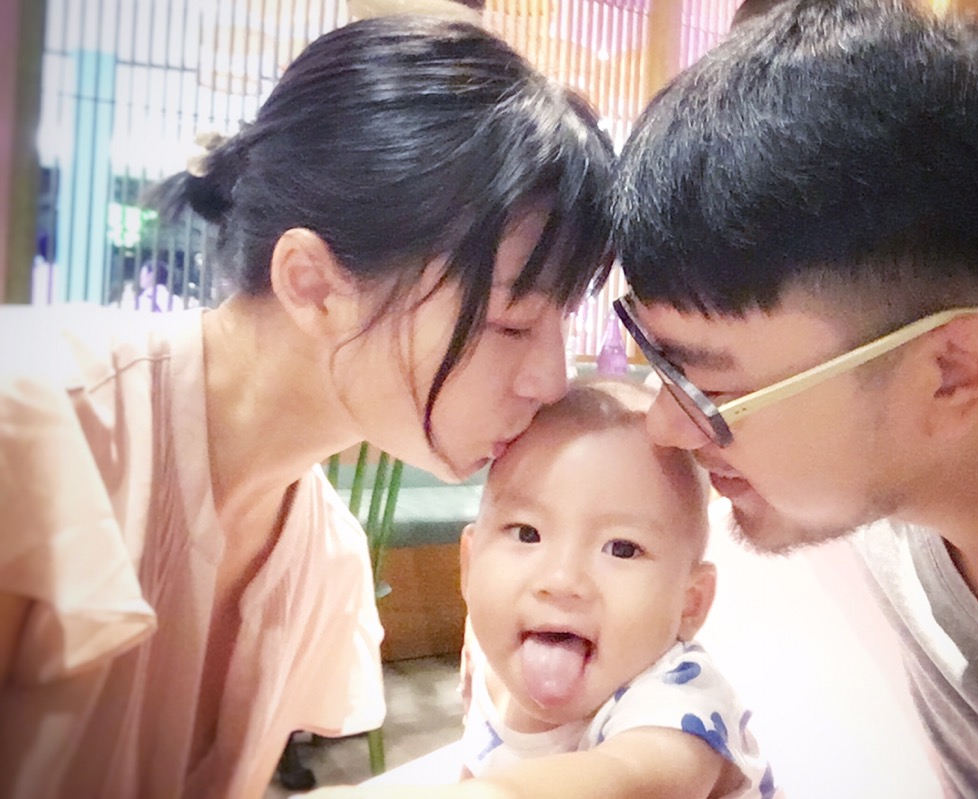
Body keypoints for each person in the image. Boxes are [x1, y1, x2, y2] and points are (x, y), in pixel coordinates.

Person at [0, 13, 613, 799]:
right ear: (313, 284)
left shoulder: (323, 562)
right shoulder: (37, 418)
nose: (552, 379)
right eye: (512, 322)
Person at [607, 0, 978, 796]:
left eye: (708, 386)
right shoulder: (879, 464)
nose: (664, 423)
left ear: (952, 372)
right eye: (658, 360)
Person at [308, 378, 776, 798]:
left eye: (621, 548)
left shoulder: (679, 706)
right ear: (469, 564)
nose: (561, 581)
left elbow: (626, 778)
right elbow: (480, 767)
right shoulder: (490, 660)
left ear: (691, 603)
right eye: (527, 534)